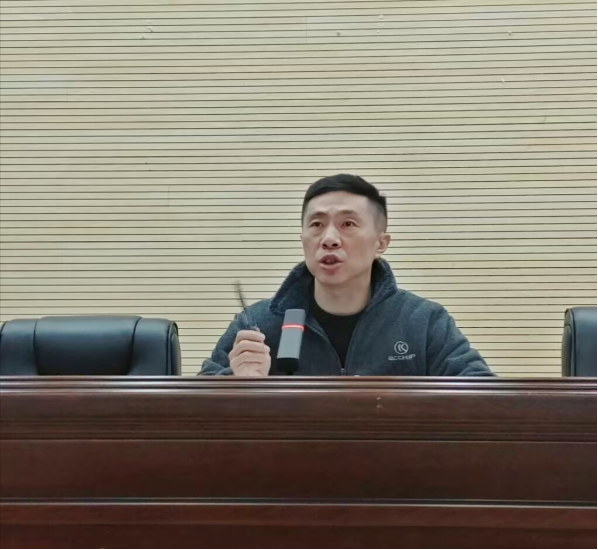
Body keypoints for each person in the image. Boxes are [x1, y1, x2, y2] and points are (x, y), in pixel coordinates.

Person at [201, 174, 494, 377]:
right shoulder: (258, 324)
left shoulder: (423, 322)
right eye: (316, 225)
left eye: (348, 224)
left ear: (380, 243)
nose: (329, 239)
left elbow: (484, 400)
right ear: (302, 239)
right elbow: (194, 413)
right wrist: (238, 384)